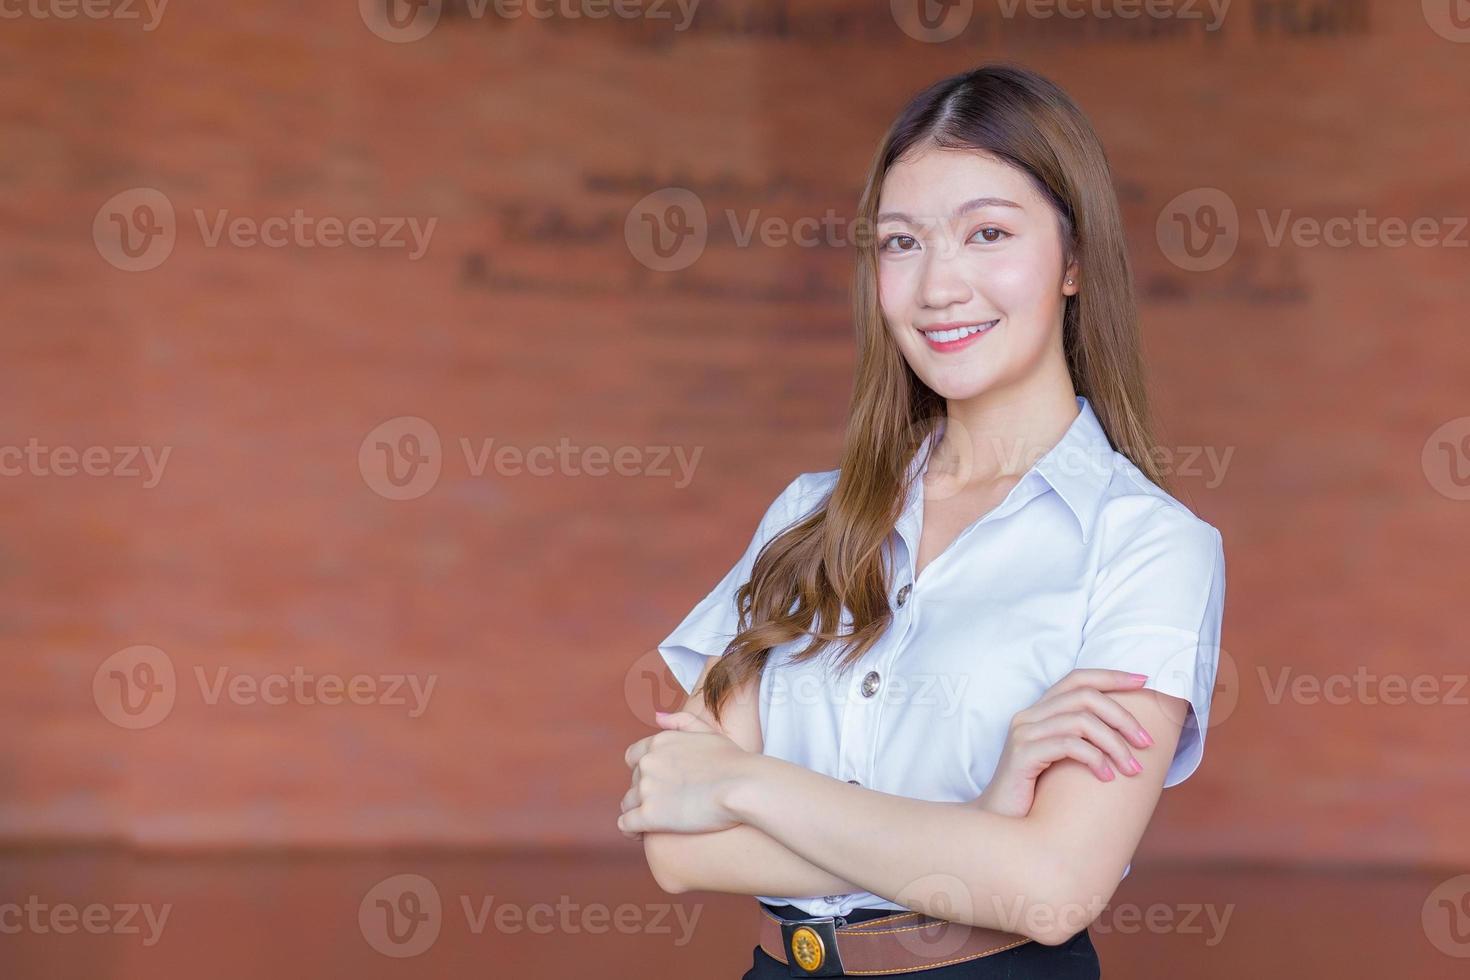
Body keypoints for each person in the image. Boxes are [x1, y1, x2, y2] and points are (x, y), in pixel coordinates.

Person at [619, 62, 1227, 979]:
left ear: (1074, 261)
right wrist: (979, 831)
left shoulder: (1146, 547)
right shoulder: (807, 518)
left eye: (987, 233)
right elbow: (677, 843)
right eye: (901, 243)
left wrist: (746, 784)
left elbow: (1052, 890)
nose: (939, 284)